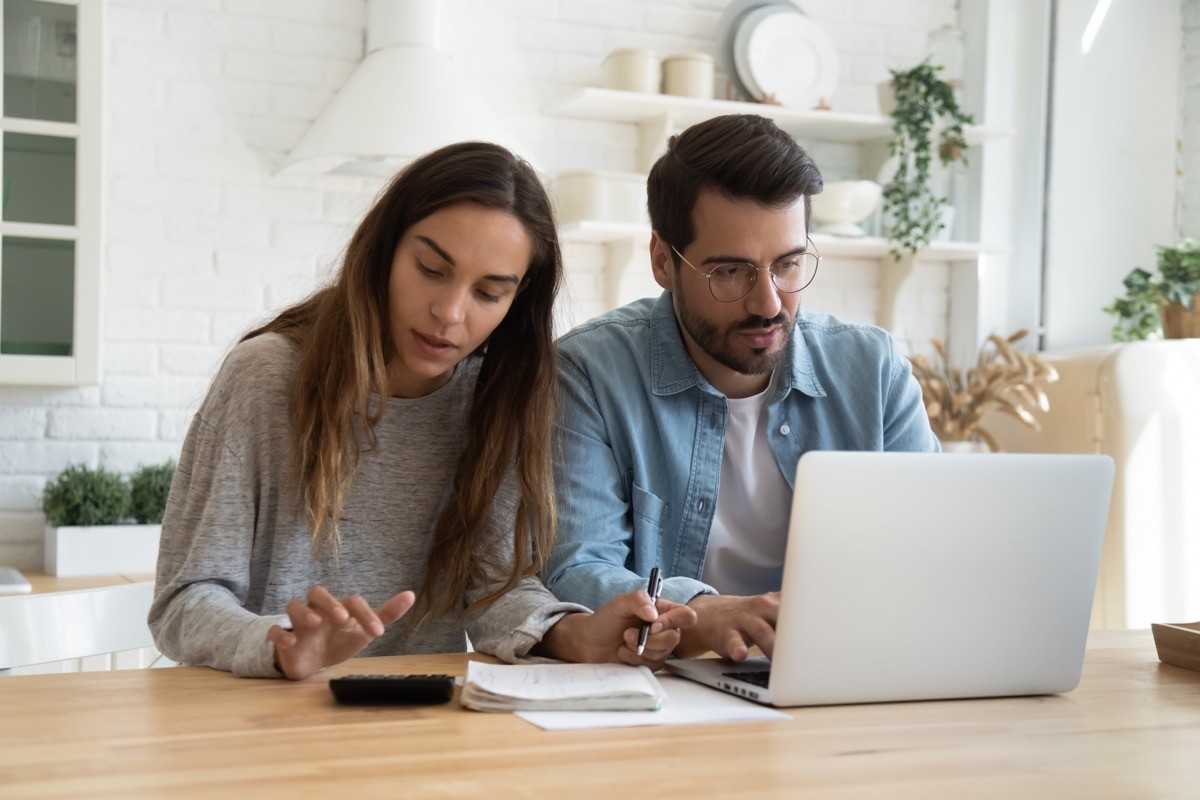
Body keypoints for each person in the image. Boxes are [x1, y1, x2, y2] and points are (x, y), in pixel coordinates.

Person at [149, 141, 695, 680]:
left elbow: (493, 591)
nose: (449, 312)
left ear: (517, 299)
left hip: (416, 722)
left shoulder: (496, 397)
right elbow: (185, 599)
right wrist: (280, 644)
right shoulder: (265, 378)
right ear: (385, 249)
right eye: (432, 269)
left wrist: (577, 633)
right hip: (256, 724)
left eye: (488, 293)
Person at [542, 115, 939, 663]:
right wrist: (704, 613)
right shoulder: (587, 372)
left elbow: (934, 550)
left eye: (788, 264)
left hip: (847, 670)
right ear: (663, 260)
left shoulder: (873, 370)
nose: (768, 303)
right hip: (671, 687)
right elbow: (576, 568)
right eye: (730, 272)